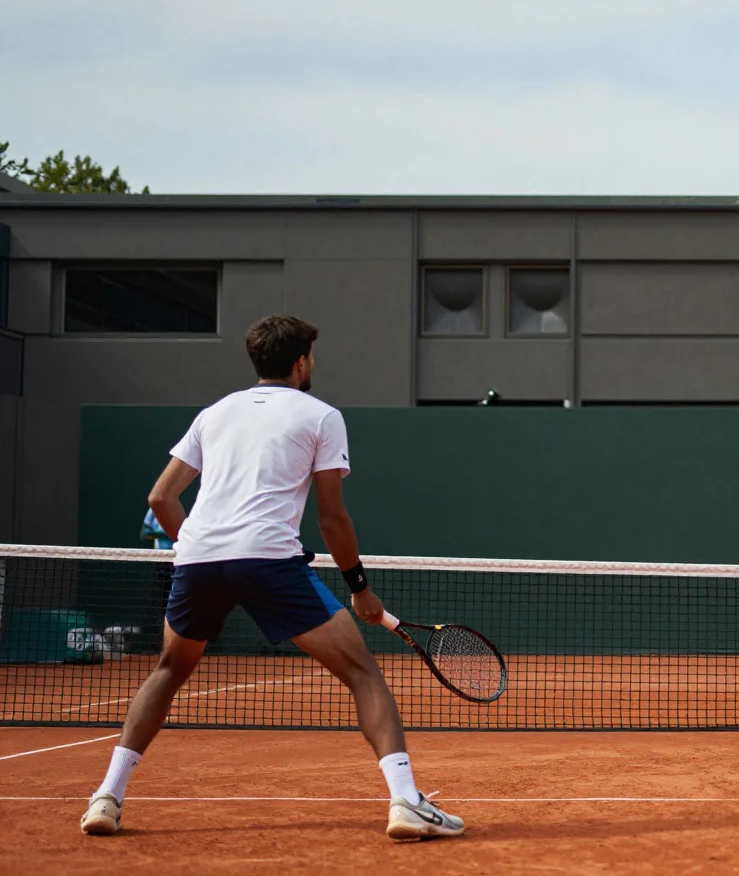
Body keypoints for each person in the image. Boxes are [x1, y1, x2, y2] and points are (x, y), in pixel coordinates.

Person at [80, 314, 464, 841]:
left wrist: (197, 545)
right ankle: (405, 802)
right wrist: (360, 588)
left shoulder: (215, 414)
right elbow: (332, 516)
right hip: (267, 561)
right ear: (302, 361)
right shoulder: (322, 416)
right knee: (363, 674)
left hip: (196, 560)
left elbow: (160, 498)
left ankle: (106, 796)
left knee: (168, 670)